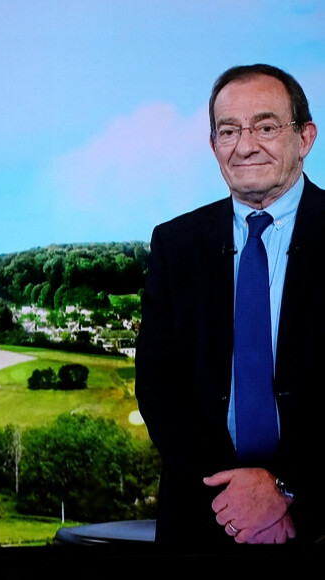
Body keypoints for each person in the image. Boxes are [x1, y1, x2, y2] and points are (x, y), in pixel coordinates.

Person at [136, 64, 325, 550]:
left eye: (265, 127)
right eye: (228, 131)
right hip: (206, 518)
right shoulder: (175, 244)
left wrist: (285, 489)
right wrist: (237, 497)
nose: (245, 145)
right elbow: (159, 387)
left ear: (305, 138)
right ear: (214, 145)